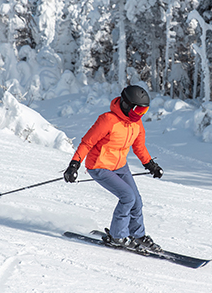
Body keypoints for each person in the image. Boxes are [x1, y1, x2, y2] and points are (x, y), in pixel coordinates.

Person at [64, 85, 164, 252]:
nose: (139, 115)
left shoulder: (136, 123)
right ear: (126, 105)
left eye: (143, 111)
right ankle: (117, 236)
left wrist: (150, 164)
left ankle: (137, 235)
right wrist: (74, 164)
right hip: (99, 165)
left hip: (120, 166)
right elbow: (87, 142)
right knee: (127, 197)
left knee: (136, 201)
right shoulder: (108, 120)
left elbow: (139, 147)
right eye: (137, 110)